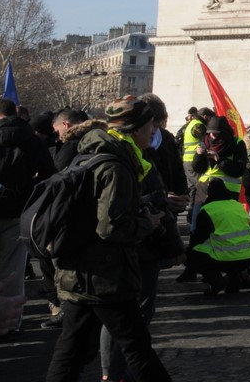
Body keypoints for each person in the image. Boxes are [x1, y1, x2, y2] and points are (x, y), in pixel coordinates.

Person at [45, 96, 172, 382]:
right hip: (105, 275)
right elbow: (111, 228)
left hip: (79, 269)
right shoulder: (116, 166)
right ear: (135, 129)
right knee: (137, 348)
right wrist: (148, 223)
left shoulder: (89, 153)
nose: (153, 131)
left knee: (70, 350)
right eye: (150, 126)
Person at [0, 97, 56, 334]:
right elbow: (49, 176)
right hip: (18, 211)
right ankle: (12, 323)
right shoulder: (32, 140)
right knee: (13, 269)